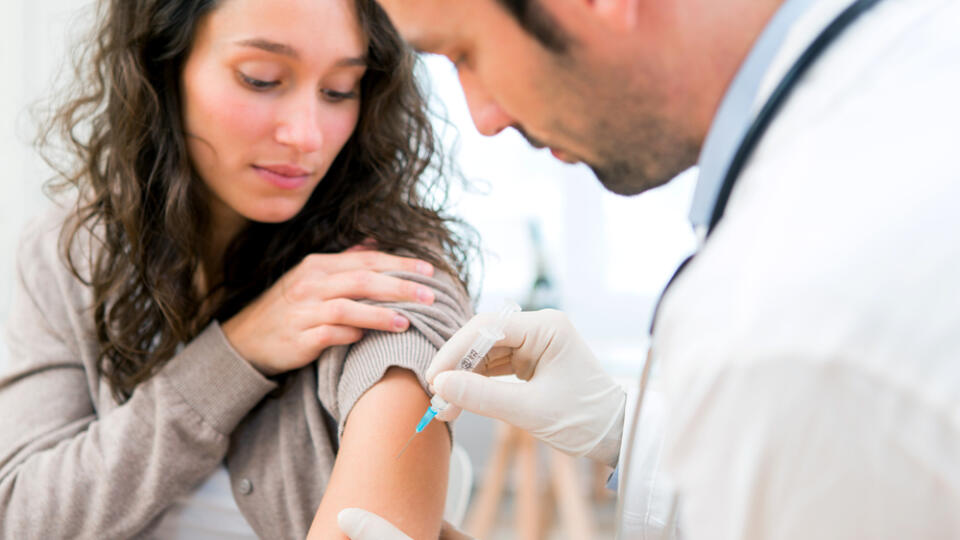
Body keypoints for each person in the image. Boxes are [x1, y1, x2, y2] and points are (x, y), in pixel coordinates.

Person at [339, 0, 960, 538]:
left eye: (465, 52)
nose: (484, 118)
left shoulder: (789, 326)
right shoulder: (910, 60)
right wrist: (621, 427)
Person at [0, 0, 473, 538]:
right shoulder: (73, 252)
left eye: (340, 89)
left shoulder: (383, 274)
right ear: (162, 66)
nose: (307, 135)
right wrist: (235, 356)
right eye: (261, 79)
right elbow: (19, 514)